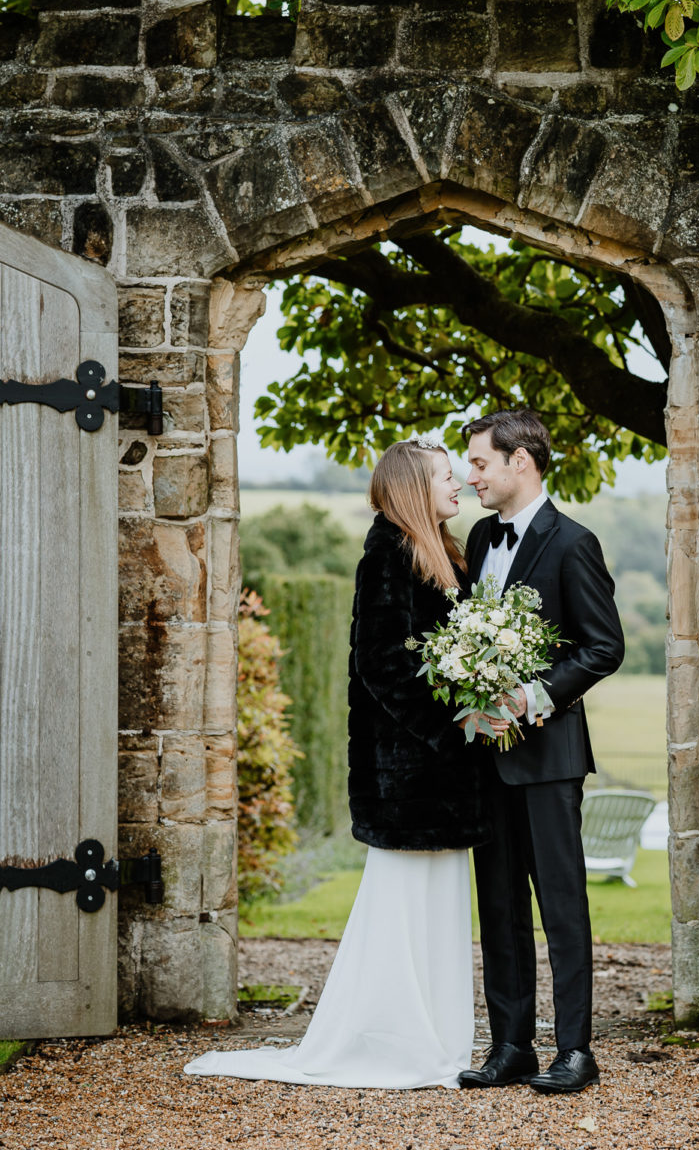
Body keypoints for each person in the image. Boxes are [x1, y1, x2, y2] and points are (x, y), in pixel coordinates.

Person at [185, 437, 486, 1090]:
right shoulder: (387, 554)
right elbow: (382, 665)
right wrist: (453, 728)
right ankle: (401, 1042)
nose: (458, 482)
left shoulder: (440, 552)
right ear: (413, 487)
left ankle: (437, 1039)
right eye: (444, 475)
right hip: (407, 775)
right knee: (401, 912)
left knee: (436, 914)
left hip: (437, 778)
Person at [458, 409, 625, 1096]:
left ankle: (576, 1051)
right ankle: (511, 1046)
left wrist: (534, 695)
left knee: (561, 905)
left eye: (480, 464)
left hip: (550, 757)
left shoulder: (572, 543)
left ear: (519, 462)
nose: (471, 477)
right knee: (497, 905)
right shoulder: (477, 538)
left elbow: (603, 646)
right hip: (484, 753)